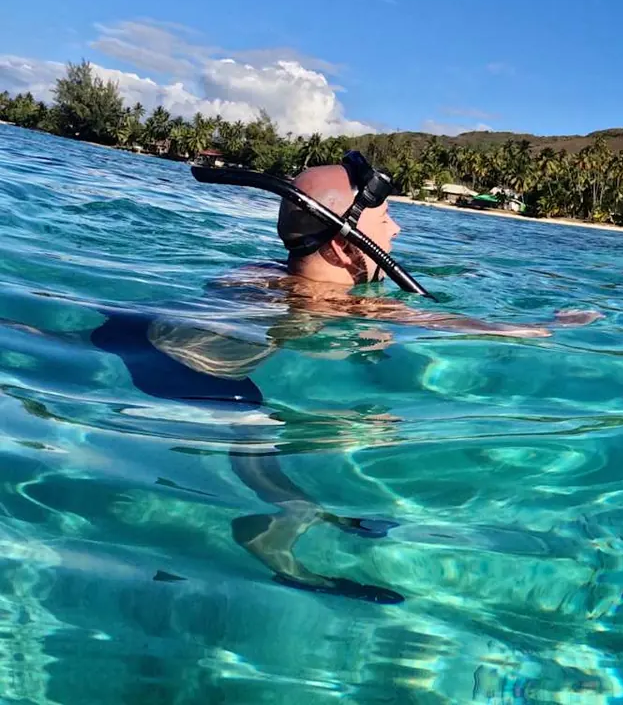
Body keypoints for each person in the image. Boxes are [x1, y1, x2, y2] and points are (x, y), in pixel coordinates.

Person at [89, 153, 594, 604]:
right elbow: (461, 327)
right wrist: (548, 327)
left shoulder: (260, 272)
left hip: (137, 335)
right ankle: (279, 533)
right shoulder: (327, 300)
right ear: (343, 245)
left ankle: (322, 512)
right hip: (192, 378)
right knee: (259, 436)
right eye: (387, 218)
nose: (396, 231)